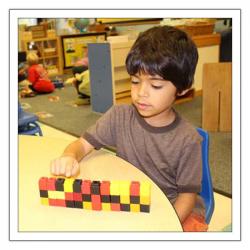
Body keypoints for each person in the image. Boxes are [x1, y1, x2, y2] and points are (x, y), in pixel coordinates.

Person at [50, 25, 208, 232]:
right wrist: (69, 156)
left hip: (172, 209)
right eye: (135, 81)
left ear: (183, 88)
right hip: (130, 199)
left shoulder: (188, 139)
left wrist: (164, 228)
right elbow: (82, 144)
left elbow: (187, 197)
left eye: (156, 85)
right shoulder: (119, 116)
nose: (141, 92)